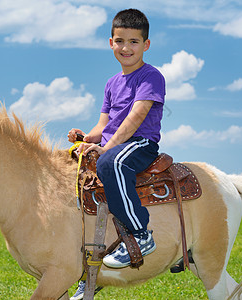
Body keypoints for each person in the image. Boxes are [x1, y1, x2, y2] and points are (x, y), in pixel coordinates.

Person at [68, 8, 165, 299]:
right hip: (113, 144)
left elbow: (134, 119)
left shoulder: (151, 76)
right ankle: (89, 268)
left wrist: (106, 148)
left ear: (146, 45)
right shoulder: (111, 83)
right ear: (111, 42)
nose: (126, 48)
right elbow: (103, 124)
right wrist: (87, 139)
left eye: (134, 42)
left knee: (111, 163)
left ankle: (139, 234)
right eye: (120, 41)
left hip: (139, 144)